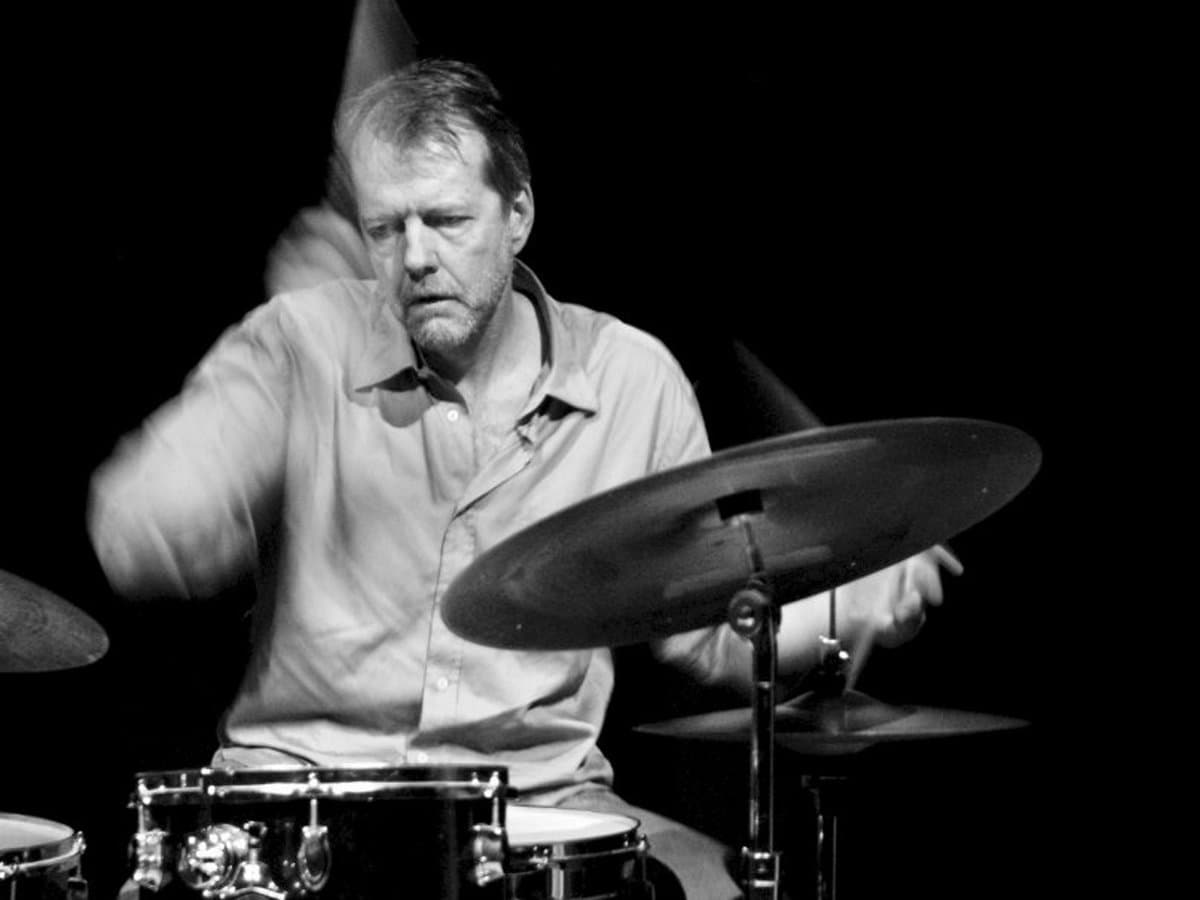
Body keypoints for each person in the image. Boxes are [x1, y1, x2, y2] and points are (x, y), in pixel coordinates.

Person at [89, 58, 952, 899]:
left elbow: (710, 635)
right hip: (300, 797)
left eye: (446, 220)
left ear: (519, 215)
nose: (415, 257)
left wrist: (847, 601)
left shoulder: (630, 379)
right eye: (386, 230)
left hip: (540, 808)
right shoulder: (299, 340)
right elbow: (135, 529)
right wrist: (200, 485)